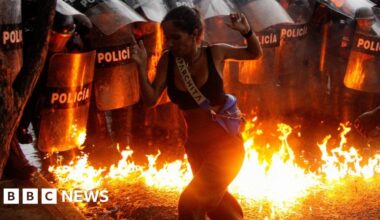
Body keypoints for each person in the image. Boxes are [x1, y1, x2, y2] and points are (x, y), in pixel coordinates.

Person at [131, 6, 262, 220]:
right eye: (167, 38)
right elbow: (151, 99)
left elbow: (254, 53)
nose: (170, 44)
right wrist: (140, 66)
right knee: (216, 205)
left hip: (226, 147)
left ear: (193, 34)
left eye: (176, 37)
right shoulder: (168, 60)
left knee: (190, 202)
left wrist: (246, 32)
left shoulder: (215, 53)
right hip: (196, 148)